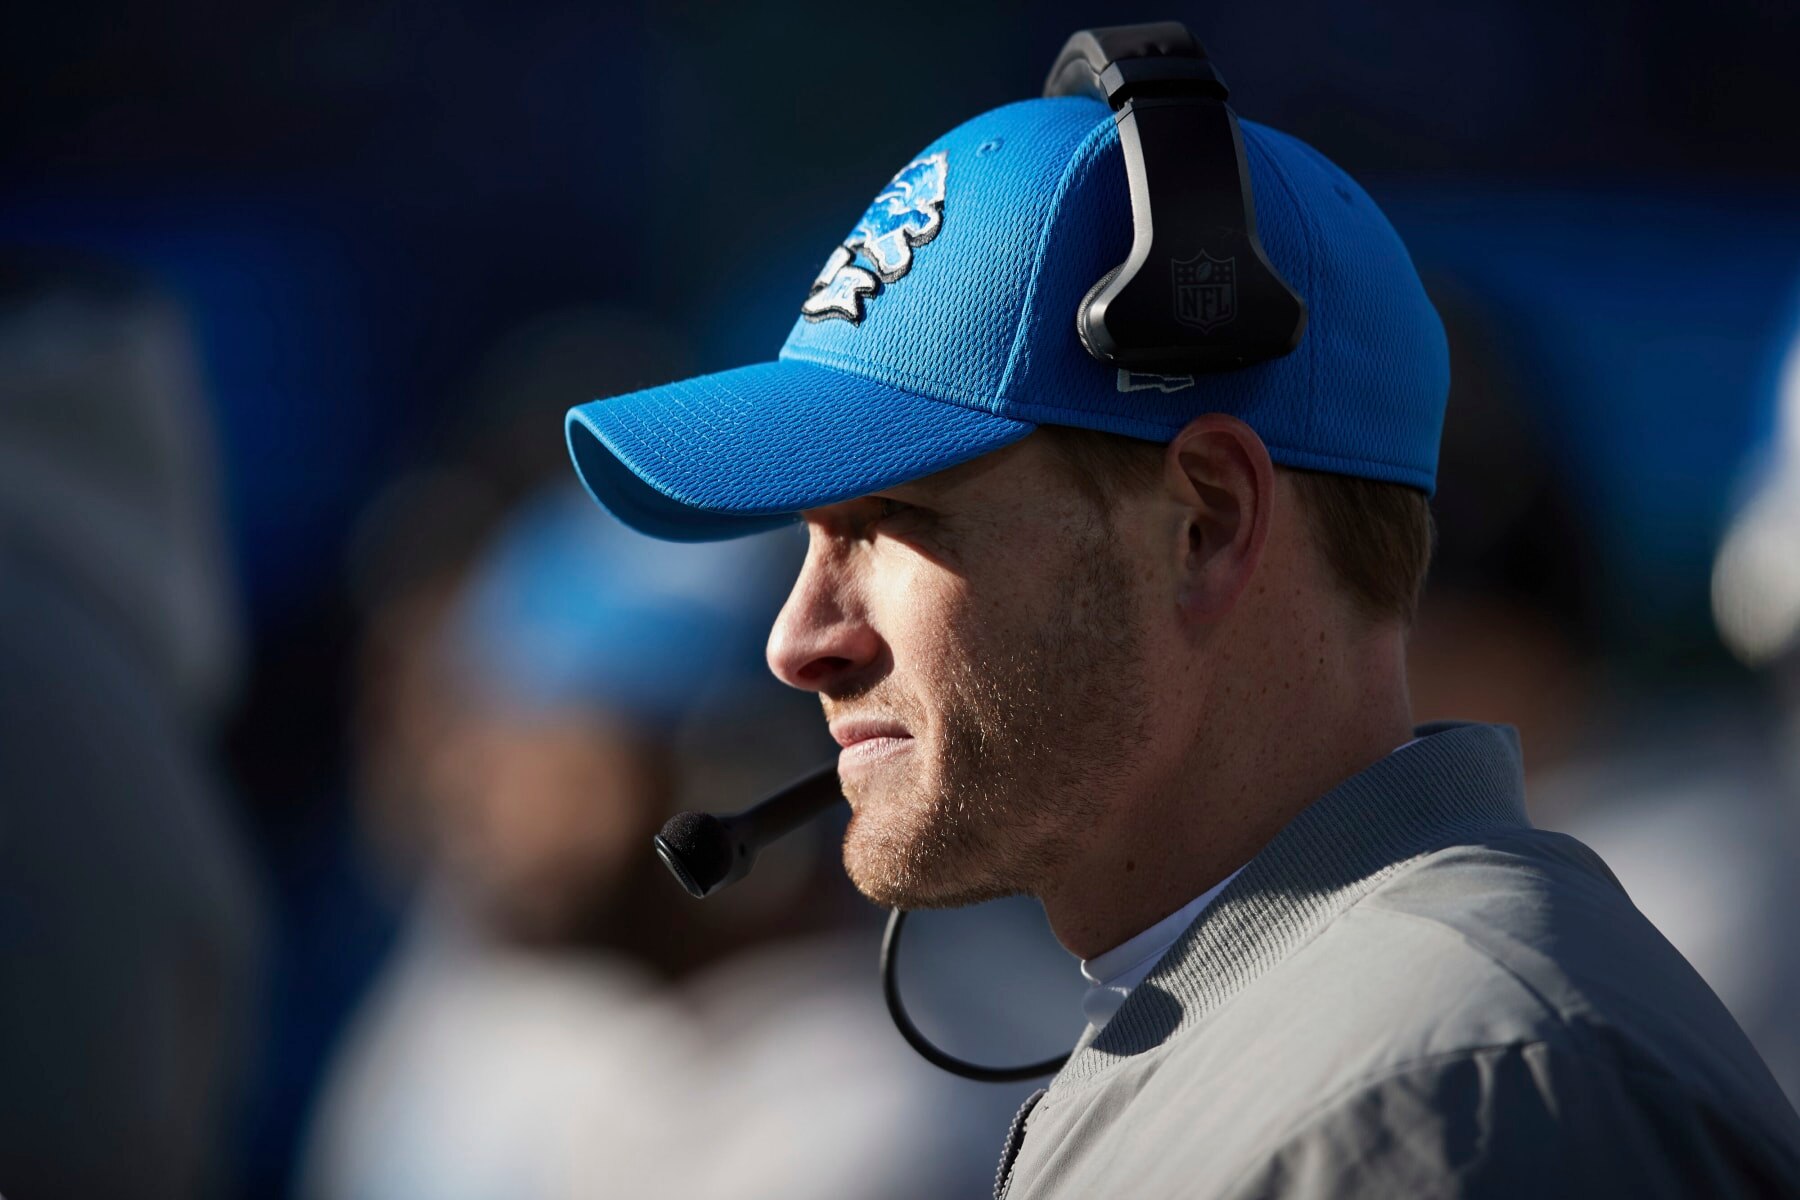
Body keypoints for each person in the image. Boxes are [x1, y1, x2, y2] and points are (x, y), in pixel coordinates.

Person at [558, 31, 1800, 1200]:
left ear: (1202, 523)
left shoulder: (1435, 1088)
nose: (798, 637)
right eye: (809, 539)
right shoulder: (1352, 1047)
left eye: (891, 522)